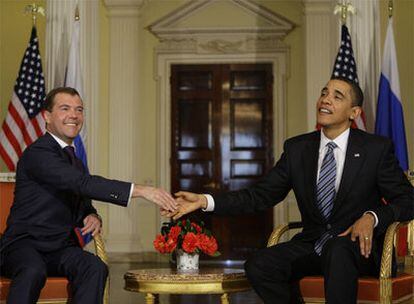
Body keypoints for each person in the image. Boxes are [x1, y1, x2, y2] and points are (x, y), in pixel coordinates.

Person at [165, 77, 414, 304]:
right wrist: (204, 201)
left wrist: (372, 217)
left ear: (354, 112)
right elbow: (260, 195)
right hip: (313, 245)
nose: (325, 99)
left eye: (337, 96)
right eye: (323, 92)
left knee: (338, 250)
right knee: (259, 265)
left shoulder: (375, 149)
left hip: (359, 250)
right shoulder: (298, 149)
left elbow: (408, 199)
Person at [0, 87, 177, 304]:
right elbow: (80, 183)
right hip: (23, 246)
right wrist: (141, 190)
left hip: (59, 248)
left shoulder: (73, 157)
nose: (74, 115)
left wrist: (92, 215)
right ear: (47, 116)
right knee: (32, 270)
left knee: (94, 267)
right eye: (65, 108)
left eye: (79, 109)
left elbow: (80, 196)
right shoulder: (39, 153)